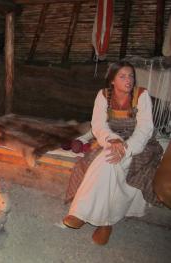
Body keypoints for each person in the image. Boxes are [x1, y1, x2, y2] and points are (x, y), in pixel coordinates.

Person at [63, 61, 163, 245]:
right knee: (108, 160)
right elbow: (99, 125)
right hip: (111, 140)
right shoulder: (103, 96)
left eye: (131, 76)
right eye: (122, 76)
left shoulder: (141, 96)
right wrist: (112, 139)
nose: (129, 80)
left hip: (140, 144)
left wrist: (125, 148)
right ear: (112, 81)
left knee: (110, 161)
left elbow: (145, 130)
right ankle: (104, 223)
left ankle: (83, 214)